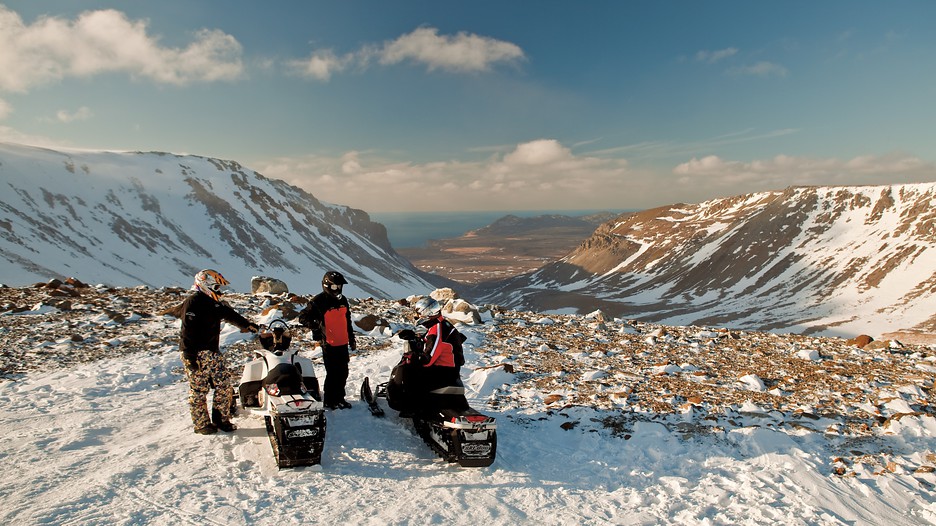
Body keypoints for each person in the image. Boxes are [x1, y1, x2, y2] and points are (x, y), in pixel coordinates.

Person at [179, 269, 259, 435]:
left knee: (224, 384)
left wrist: (249, 325)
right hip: (195, 352)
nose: (218, 290)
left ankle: (221, 419)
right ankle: (202, 424)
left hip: (212, 352)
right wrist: (189, 356)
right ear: (205, 284)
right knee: (199, 389)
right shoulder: (193, 302)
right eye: (215, 287)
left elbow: (230, 314)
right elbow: (186, 331)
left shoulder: (213, 303)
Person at [298, 271, 356, 410]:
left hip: (342, 342)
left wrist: (352, 339)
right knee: (332, 373)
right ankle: (330, 401)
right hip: (329, 344)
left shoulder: (343, 300)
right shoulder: (318, 301)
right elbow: (302, 317)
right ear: (327, 286)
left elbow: (347, 320)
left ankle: (340, 398)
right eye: (335, 287)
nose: (338, 289)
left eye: (340, 286)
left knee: (343, 372)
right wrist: (316, 325)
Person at [412, 296, 465, 396]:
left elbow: (428, 359)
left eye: (419, 313)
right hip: (448, 368)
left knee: (410, 372)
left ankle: (413, 408)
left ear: (426, 313)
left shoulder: (437, 330)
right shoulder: (441, 323)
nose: (417, 316)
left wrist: (414, 358)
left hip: (445, 372)